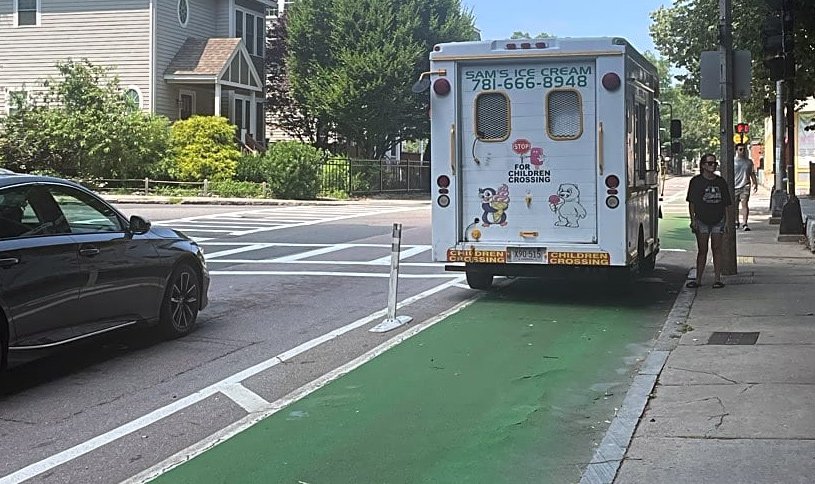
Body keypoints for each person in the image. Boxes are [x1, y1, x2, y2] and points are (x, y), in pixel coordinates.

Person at [685, 153, 733, 289]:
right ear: (703, 165)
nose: (713, 166)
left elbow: (726, 204)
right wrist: (693, 220)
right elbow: (691, 203)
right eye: (710, 163)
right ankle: (698, 279)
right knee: (702, 250)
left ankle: (717, 279)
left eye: (714, 163)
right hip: (702, 220)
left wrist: (727, 222)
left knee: (717, 249)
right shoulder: (696, 182)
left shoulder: (720, 182)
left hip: (718, 220)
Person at [733, 143, 758, 231]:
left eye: (744, 149)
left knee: (744, 204)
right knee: (735, 205)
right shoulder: (733, 162)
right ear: (736, 150)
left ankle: (745, 223)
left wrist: (755, 183)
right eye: (740, 149)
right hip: (734, 186)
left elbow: (752, 173)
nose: (742, 151)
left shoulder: (749, 162)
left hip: (745, 185)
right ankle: (736, 221)